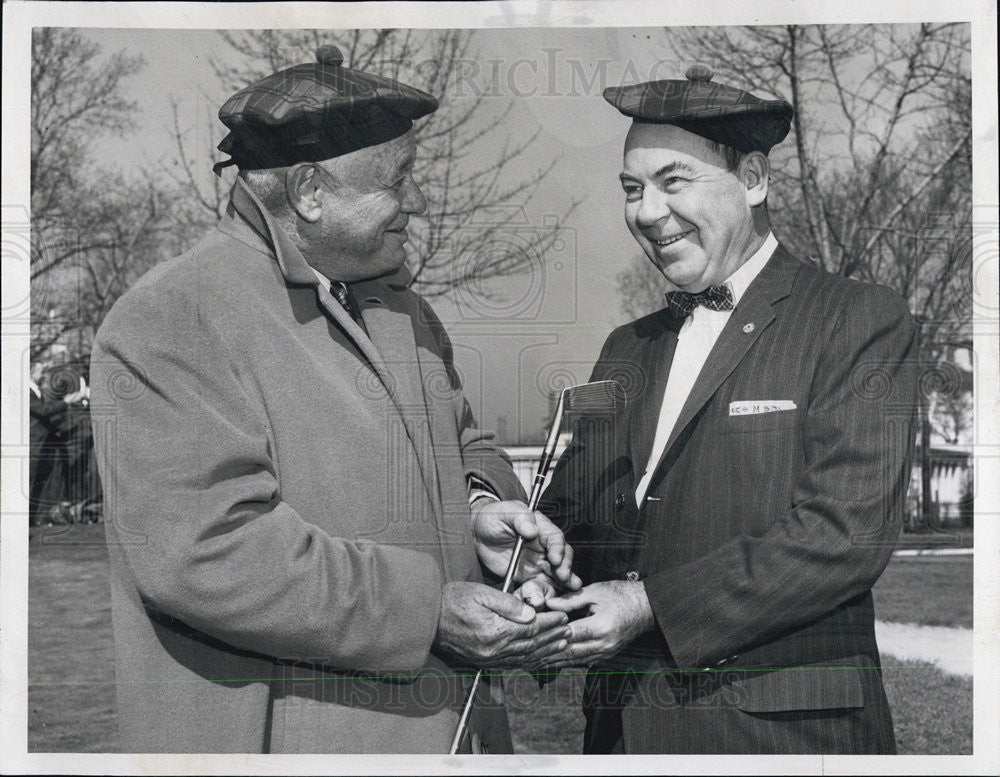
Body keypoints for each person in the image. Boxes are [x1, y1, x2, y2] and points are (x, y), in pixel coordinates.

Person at [89, 46, 578, 754]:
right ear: (311, 190)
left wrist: (480, 512)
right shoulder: (168, 318)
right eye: (396, 182)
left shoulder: (401, 307)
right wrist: (429, 611)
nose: (412, 207)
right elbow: (208, 551)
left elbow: (468, 444)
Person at [538, 65, 920, 754]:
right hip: (620, 735)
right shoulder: (625, 347)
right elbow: (575, 516)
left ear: (752, 179)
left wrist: (648, 603)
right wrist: (540, 561)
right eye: (632, 189)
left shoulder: (859, 319)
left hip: (783, 740)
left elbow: (844, 535)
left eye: (673, 181)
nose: (646, 212)